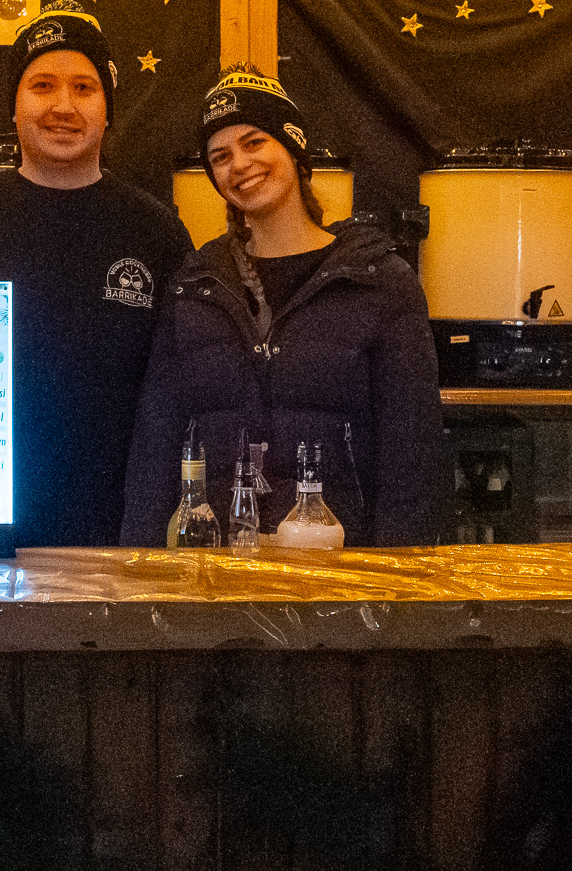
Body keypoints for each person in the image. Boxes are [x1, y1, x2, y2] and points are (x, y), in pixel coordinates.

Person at [0, 0, 192, 548]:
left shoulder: (157, 233)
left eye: (84, 88)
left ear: (108, 108)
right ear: (14, 107)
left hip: (117, 535)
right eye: (42, 86)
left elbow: (177, 398)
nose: (63, 106)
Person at [120, 67, 449, 547]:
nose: (239, 164)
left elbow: (412, 453)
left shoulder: (381, 281)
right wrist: (141, 566)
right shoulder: (193, 285)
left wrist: (400, 577)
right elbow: (156, 444)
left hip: (340, 568)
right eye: (220, 156)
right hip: (218, 564)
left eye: (254, 143)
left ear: (294, 147)